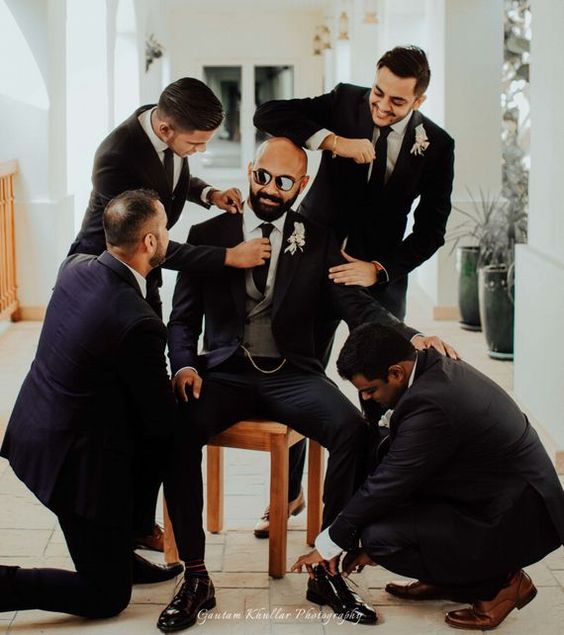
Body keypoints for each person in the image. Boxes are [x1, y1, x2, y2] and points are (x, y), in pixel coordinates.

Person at [157, 137, 457, 632]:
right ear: (250, 170)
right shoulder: (209, 232)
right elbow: (182, 319)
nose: (270, 190)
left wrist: (411, 335)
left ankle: (326, 567)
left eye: (283, 181)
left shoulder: (318, 238)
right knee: (175, 429)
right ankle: (195, 575)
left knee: (352, 429)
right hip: (225, 371)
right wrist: (184, 365)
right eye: (262, 177)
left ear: (303, 184)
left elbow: (356, 306)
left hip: (292, 373)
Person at [253, 45, 455, 533]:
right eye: (379, 93)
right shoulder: (347, 101)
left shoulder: (438, 146)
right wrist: (334, 142)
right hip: (313, 262)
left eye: (397, 103)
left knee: (382, 393)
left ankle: (364, 508)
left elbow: (431, 232)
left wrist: (378, 269)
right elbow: (268, 113)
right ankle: (289, 495)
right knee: (300, 374)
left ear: (420, 99)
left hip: (376, 277)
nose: (381, 107)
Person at [69, 77, 270, 551]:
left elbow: (172, 175)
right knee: (127, 408)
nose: (198, 152)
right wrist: (228, 257)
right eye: (195, 143)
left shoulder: (156, 122)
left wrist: (208, 195)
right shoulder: (115, 158)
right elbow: (156, 245)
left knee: (151, 408)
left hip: (143, 275)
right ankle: (119, 521)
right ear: (164, 127)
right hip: (108, 276)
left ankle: (138, 521)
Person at [292, 324, 564, 631]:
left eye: (370, 390)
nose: (367, 398)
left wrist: (330, 542)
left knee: (381, 540)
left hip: (519, 515)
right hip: (490, 492)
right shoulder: (428, 367)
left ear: (396, 372)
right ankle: (450, 578)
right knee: (381, 495)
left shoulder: (432, 402)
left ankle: (501, 586)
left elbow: (388, 483)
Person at [0, 189, 185, 620]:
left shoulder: (76, 266)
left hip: (34, 431)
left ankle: (121, 550)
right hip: (72, 466)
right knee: (105, 596)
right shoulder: (136, 322)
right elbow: (158, 417)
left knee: (138, 448)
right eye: (164, 230)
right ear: (150, 243)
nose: (167, 237)